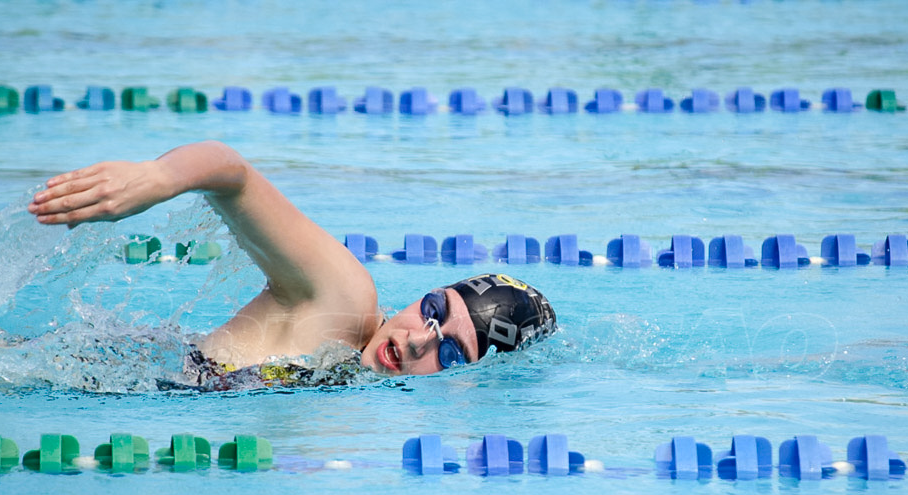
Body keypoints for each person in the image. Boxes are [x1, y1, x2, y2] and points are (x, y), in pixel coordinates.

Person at [28, 141, 556, 382]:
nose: (418, 338)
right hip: (67, 371)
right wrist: (156, 178)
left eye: (452, 355)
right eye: (434, 309)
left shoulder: (358, 390)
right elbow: (231, 172)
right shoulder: (344, 300)